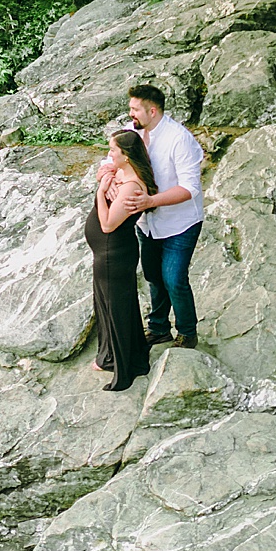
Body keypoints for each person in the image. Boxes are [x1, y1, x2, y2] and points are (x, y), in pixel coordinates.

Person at [117, 84, 204, 348]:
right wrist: (105, 172)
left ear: (152, 111)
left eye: (135, 109)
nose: (130, 113)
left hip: (180, 222)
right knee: (153, 276)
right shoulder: (133, 131)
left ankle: (188, 333)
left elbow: (190, 187)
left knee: (174, 278)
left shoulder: (179, 139)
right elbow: (114, 156)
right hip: (148, 223)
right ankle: (159, 328)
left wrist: (150, 201)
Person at [85, 130, 157, 392]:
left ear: (126, 156)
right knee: (107, 305)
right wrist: (106, 176)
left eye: (113, 151)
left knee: (117, 309)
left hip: (113, 253)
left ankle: (123, 366)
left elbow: (107, 224)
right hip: (107, 253)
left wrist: (100, 192)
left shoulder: (130, 188)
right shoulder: (122, 173)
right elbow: (105, 169)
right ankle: (110, 356)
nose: (110, 154)